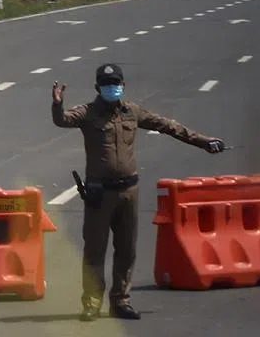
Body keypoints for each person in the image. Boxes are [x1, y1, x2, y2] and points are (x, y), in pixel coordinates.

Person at [51, 63, 225, 322]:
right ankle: (92, 302)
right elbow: (62, 120)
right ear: (98, 87)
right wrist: (57, 104)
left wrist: (203, 142)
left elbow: (168, 126)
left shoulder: (132, 111)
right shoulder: (87, 113)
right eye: (107, 84)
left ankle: (121, 300)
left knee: (126, 249)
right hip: (100, 193)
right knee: (95, 250)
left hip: (128, 191)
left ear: (122, 85)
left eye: (116, 83)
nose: (112, 88)